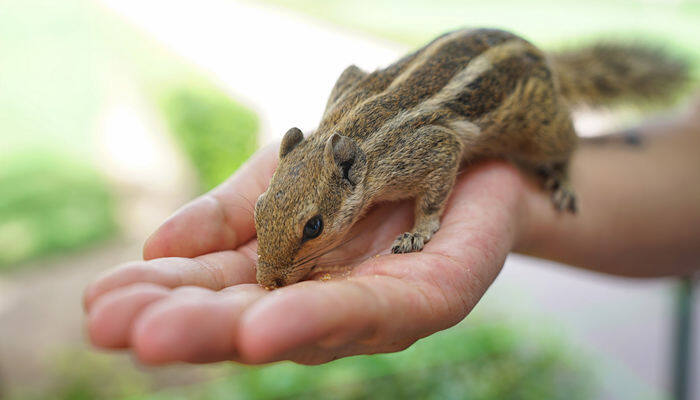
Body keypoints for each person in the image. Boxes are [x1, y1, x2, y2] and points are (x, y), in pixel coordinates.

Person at [83, 97, 700, 365]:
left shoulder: (396, 165)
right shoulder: (335, 156)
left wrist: (431, 218)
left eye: (312, 229)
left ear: (353, 178)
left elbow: (437, 147)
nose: (273, 272)